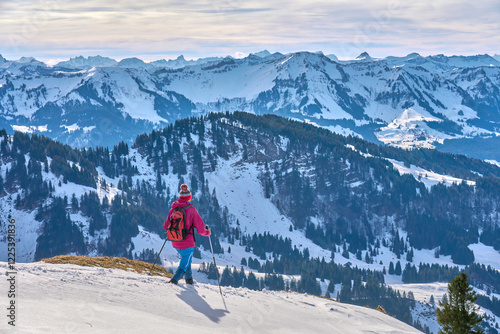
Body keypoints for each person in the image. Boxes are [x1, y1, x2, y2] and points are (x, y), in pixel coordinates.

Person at [164, 184, 211, 285]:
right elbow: (200, 228)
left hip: (175, 241)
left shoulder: (173, 209)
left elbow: (165, 226)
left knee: (187, 258)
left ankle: (189, 280)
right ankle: (174, 280)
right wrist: (207, 233)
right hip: (187, 242)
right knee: (184, 264)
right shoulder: (191, 210)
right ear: (189, 197)